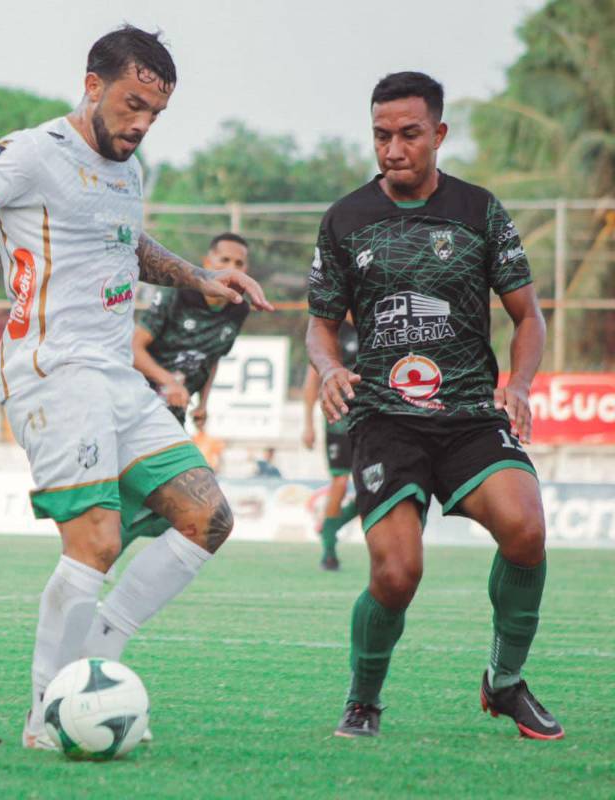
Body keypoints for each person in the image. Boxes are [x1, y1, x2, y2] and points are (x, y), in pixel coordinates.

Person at [0, 26, 272, 750]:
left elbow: (126, 244)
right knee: (96, 539)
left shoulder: (128, 167)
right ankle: (45, 715)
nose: (141, 124)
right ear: (92, 85)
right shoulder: (35, 152)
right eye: (131, 104)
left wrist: (201, 277)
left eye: (156, 112)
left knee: (207, 518)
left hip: (116, 376)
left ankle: (97, 670)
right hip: (54, 371)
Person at [307, 71, 562, 739]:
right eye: (381, 136)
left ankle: (504, 683)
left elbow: (527, 315)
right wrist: (329, 366)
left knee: (527, 528)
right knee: (397, 573)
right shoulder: (345, 219)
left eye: (408, 135)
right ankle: (364, 699)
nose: (392, 149)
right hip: (385, 422)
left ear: (439, 135)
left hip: (472, 415)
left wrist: (521, 383)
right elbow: (320, 321)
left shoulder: (479, 210)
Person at [133, 233, 252, 427]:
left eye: (239, 263)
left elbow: (211, 359)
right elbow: (133, 349)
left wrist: (203, 404)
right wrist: (169, 381)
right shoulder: (175, 294)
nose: (232, 268)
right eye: (225, 260)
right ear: (206, 263)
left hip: (175, 410)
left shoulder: (239, 310)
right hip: (139, 402)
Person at [301, 321, 359, 570]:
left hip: (374, 416)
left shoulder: (377, 318)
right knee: (340, 481)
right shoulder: (330, 328)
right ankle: (329, 550)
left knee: (377, 483)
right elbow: (313, 378)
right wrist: (308, 424)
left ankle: (330, 527)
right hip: (339, 417)